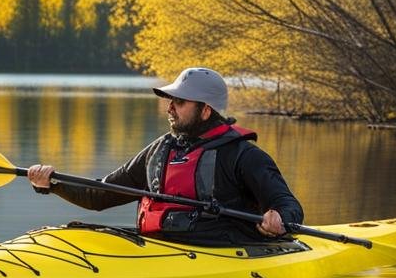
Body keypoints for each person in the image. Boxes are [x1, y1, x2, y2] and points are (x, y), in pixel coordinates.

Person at [27, 67, 303, 244]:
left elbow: (289, 206)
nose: (170, 108)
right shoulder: (160, 151)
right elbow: (99, 195)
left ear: (206, 110)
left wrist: (278, 217)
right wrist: (52, 184)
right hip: (159, 248)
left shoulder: (243, 156)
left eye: (179, 102)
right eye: (171, 101)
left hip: (225, 254)